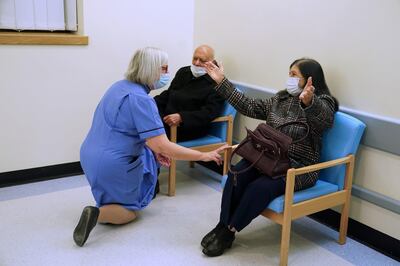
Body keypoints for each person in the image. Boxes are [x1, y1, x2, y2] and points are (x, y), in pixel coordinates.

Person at [73, 47, 226, 247]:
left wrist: (155, 148)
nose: (166, 74)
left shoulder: (118, 87)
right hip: (112, 162)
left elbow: (134, 130)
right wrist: (204, 156)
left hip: (90, 154)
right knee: (129, 212)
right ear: (150, 69)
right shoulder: (142, 100)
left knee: (144, 159)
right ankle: (97, 213)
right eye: (164, 69)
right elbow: (164, 146)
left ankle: (108, 202)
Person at [200, 58, 338, 257]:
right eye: (289, 73)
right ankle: (222, 225)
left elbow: (324, 120)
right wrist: (222, 81)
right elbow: (250, 106)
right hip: (268, 157)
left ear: (309, 79)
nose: (289, 78)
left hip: (297, 167)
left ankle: (230, 232)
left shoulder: (324, 102)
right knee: (236, 173)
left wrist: (309, 102)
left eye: (294, 75)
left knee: (259, 188)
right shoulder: (280, 99)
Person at [154, 45, 225, 142]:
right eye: (195, 58)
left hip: (189, 127)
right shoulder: (184, 72)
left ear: (212, 62)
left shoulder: (217, 83)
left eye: (202, 60)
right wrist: (150, 102)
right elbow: (169, 93)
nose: (196, 63)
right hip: (167, 120)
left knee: (150, 133)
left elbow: (209, 112)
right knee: (141, 121)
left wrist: (182, 117)